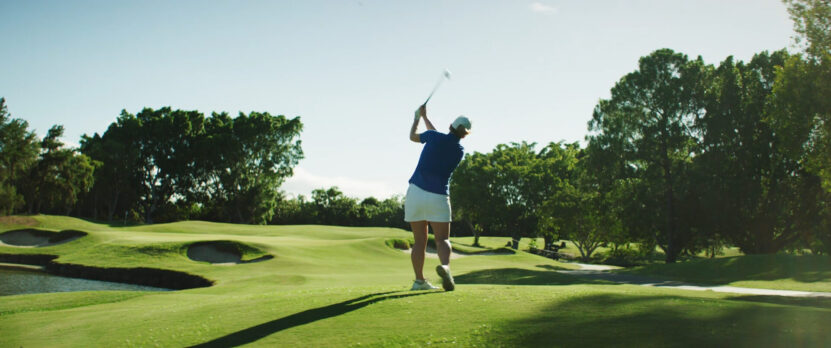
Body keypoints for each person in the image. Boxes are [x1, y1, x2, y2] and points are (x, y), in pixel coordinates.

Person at [405, 104, 471, 291]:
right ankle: (446, 267)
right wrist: (426, 117)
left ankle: (419, 281)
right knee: (442, 239)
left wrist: (417, 117)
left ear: (450, 125)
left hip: (416, 192)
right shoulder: (459, 151)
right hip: (439, 196)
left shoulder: (434, 138)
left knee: (419, 241)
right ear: (465, 134)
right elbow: (438, 138)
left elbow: (414, 137)